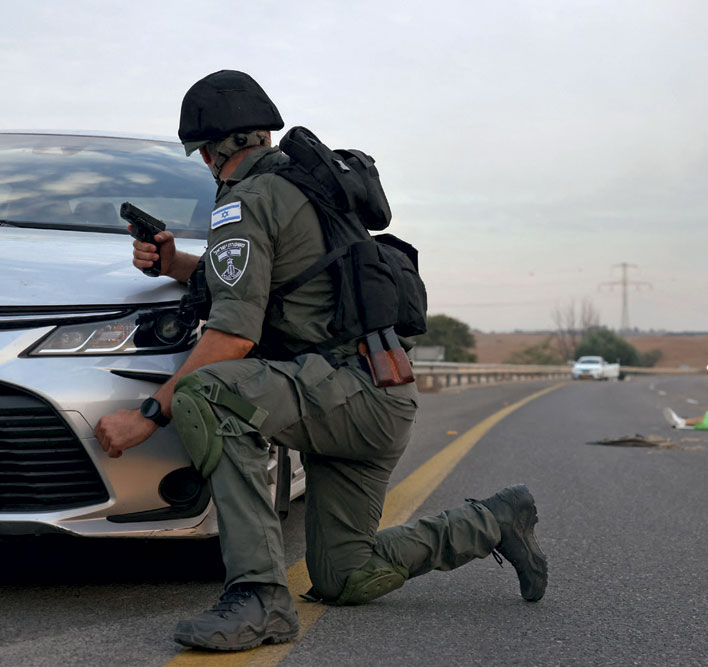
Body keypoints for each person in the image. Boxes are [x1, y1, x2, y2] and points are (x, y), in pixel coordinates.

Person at [93, 70, 547, 652]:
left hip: (344, 394)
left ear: (211, 153)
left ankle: (259, 597)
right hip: (377, 394)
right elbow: (267, 281)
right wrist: (175, 263)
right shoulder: (300, 187)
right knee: (346, 575)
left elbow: (231, 337)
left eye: (202, 155)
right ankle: (493, 520)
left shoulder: (246, 201)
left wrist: (148, 416)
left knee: (204, 393)